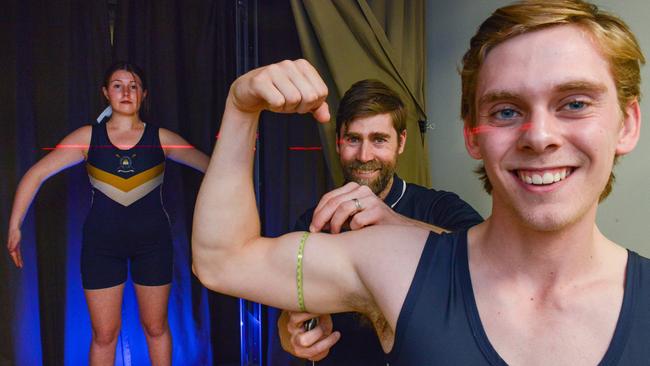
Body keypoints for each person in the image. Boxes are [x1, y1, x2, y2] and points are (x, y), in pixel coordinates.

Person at [192, 0, 650, 364]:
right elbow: (221, 260)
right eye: (507, 111)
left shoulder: (431, 216)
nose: (540, 137)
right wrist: (241, 107)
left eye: (574, 103)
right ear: (472, 134)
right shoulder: (392, 265)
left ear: (627, 125)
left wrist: (396, 222)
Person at [7, 61, 209, 365]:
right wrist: (15, 225)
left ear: (143, 94)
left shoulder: (161, 138)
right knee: (104, 335)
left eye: (133, 86)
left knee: (156, 328)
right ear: (106, 93)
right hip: (101, 247)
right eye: (117, 85)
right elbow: (35, 174)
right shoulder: (88, 137)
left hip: (153, 245)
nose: (126, 91)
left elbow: (215, 169)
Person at [276, 79, 482, 364]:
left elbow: (489, 259)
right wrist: (293, 339)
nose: (364, 156)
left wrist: (395, 221)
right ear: (338, 143)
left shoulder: (440, 207)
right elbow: (287, 316)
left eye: (379, 139)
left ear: (401, 142)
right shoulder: (313, 222)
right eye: (353, 139)